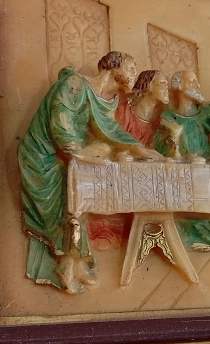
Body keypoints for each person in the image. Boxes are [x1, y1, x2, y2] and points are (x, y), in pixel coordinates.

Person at [18, 52, 161, 292]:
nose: (133, 75)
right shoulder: (73, 84)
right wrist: (81, 151)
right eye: (130, 68)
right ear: (113, 67)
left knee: (80, 199)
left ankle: (75, 262)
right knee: (68, 201)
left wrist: (137, 148)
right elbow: (61, 122)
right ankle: (65, 264)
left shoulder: (109, 99)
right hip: (43, 159)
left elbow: (108, 129)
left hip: (68, 161)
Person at [154, 70, 210, 160]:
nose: (198, 85)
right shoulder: (168, 118)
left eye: (197, 81)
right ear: (179, 87)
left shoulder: (209, 114)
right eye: (191, 82)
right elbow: (161, 150)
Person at [115, 69, 169, 148]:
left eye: (166, 84)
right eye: (162, 84)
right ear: (147, 87)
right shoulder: (124, 112)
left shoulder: (162, 121)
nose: (166, 88)